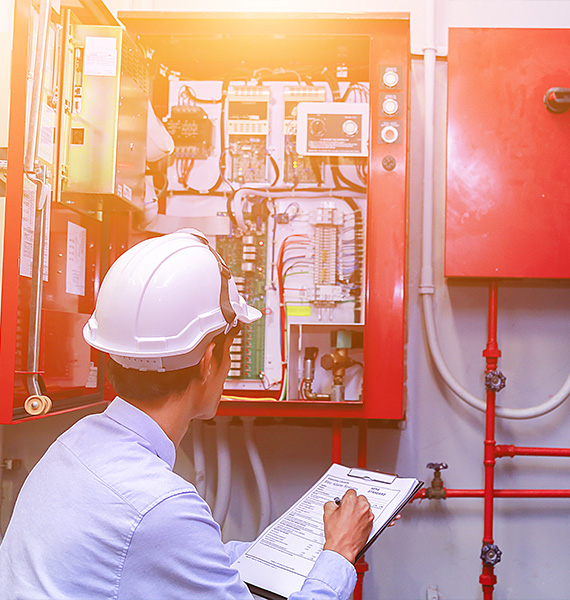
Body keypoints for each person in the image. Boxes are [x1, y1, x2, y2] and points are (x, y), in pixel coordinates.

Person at [0, 229, 374, 599]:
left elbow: (187, 560)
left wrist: (311, 550)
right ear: (209, 360)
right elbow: (167, 536)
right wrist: (340, 553)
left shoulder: (75, 443)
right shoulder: (160, 505)